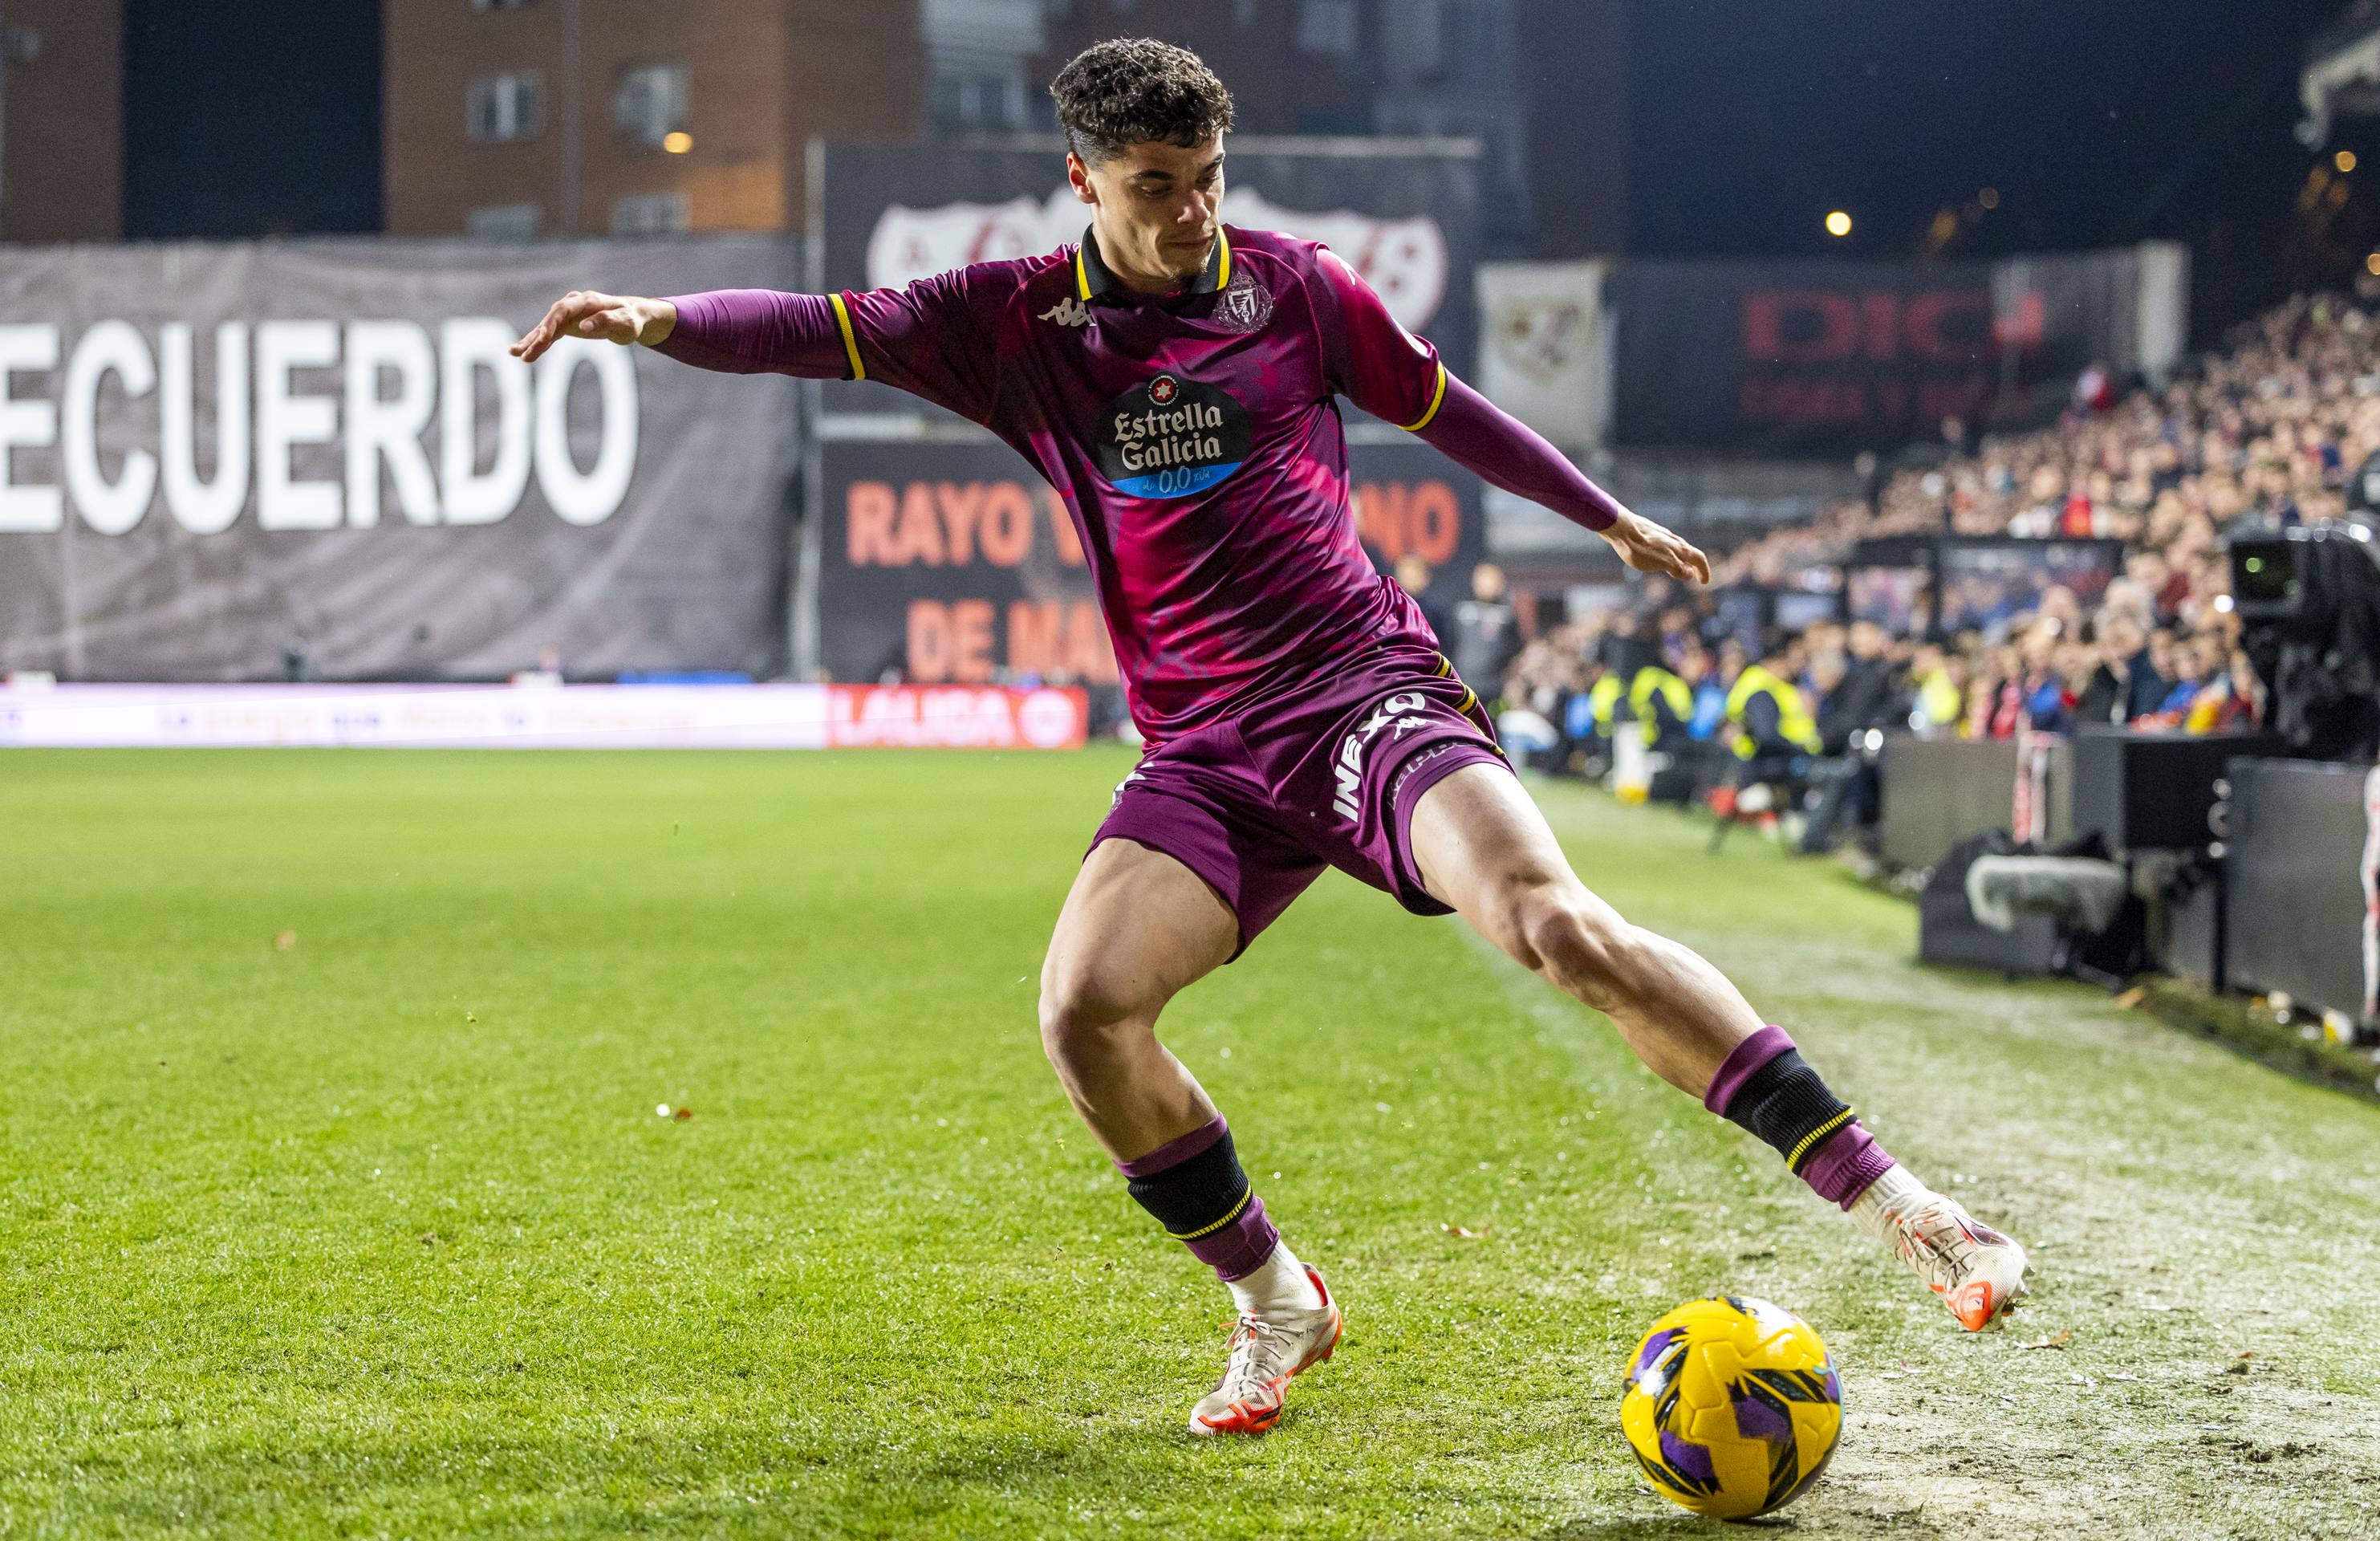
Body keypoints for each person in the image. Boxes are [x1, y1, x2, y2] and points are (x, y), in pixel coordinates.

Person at [510, 37, 2026, 1439]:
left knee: (1552, 925)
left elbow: (1452, 411)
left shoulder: (1294, 291)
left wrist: (1603, 515)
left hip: (1367, 696)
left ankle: (1905, 1204)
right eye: (1155, 191)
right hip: (1202, 757)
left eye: (1206, 184)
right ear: (1085, 181)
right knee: (1084, 1014)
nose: (1188, 218)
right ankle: (1275, 1302)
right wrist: (651, 319)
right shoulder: (1012, 324)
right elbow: (806, 328)